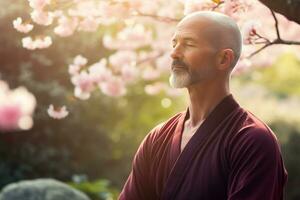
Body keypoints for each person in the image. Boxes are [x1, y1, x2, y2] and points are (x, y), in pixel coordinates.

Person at [119, 11, 288, 200]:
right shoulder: (157, 138)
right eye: (174, 43)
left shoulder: (252, 140)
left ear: (224, 59)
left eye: (189, 44)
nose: (174, 53)